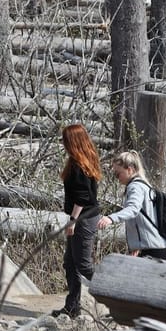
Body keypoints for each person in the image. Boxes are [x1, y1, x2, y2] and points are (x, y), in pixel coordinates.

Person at [53, 123, 101, 318]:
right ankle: (72, 306)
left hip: (84, 217)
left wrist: (72, 221)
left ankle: (114, 290)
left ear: (72, 142)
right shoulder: (82, 160)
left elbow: (82, 198)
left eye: (65, 140)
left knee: (82, 264)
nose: (63, 144)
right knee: (70, 262)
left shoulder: (79, 165)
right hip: (83, 216)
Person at [96, 151, 166, 261]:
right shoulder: (143, 185)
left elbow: (133, 209)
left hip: (152, 248)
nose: (116, 177)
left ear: (129, 169)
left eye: (118, 173)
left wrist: (111, 218)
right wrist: (137, 244)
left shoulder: (135, 186)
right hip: (153, 245)